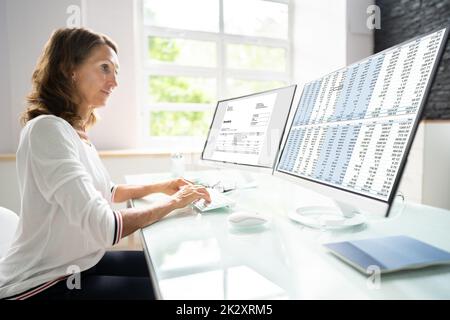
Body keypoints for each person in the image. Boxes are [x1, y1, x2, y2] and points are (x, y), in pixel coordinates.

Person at [0, 27, 211, 300]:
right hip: (39, 283)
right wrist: (175, 202)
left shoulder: (74, 131)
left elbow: (107, 191)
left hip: (78, 263)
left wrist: (164, 185)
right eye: (104, 68)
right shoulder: (47, 130)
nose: (114, 82)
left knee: (170, 269)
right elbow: (105, 227)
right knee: (173, 292)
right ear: (69, 69)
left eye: (116, 71)